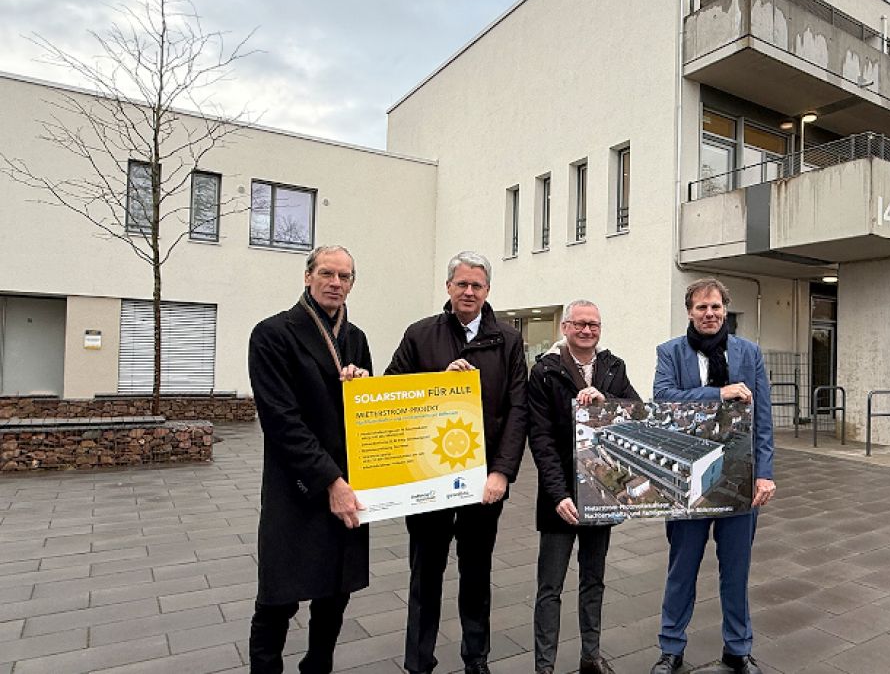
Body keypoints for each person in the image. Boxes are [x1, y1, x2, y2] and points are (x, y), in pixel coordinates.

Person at [387, 251, 528, 674]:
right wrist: (438, 384)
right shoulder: (419, 335)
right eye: (462, 284)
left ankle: (476, 659)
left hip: (482, 481)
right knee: (424, 576)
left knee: (476, 576)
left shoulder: (508, 339)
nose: (469, 292)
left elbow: (517, 408)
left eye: (477, 286)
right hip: (429, 477)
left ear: (488, 291)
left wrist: (502, 472)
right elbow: (393, 393)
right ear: (448, 287)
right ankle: (418, 662)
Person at [247, 245, 372, 674]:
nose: (335, 283)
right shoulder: (272, 333)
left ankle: (318, 668)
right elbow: (281, 421)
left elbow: (367, 419)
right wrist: (330, 482)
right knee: (278, 600)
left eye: (344, 277)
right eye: (327, 274)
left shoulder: (356, 339)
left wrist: (363, 390)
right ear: (308, 276)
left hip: (348, 485)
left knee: (334, 596)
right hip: (298, 488)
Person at [650, 278, 775, 674]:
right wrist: (717, 393)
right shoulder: (670, 352)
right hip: (686, 480)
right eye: (701, 308)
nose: (709, 314)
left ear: (725, 310)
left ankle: (737, 649)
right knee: (681, 570)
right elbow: (664, 399)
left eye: (716, 307)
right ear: (689, 311)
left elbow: (764, 420)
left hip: (738, 478)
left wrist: (765, 474)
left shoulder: (749, 353)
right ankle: (671, 649)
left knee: (736, 571)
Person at [527, 300, 640, 674]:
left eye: (594, 324)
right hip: (559, 497)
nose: (587, 330)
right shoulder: (545, 371)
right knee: (550, 588)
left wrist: (606, 404)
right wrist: (558, 495)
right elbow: (540, 439)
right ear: (565, 327)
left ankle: (590, 657)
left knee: (594, 581)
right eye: (580, 324)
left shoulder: (613, 367)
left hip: (601, 492)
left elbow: (636, 413)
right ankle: (545, 666)